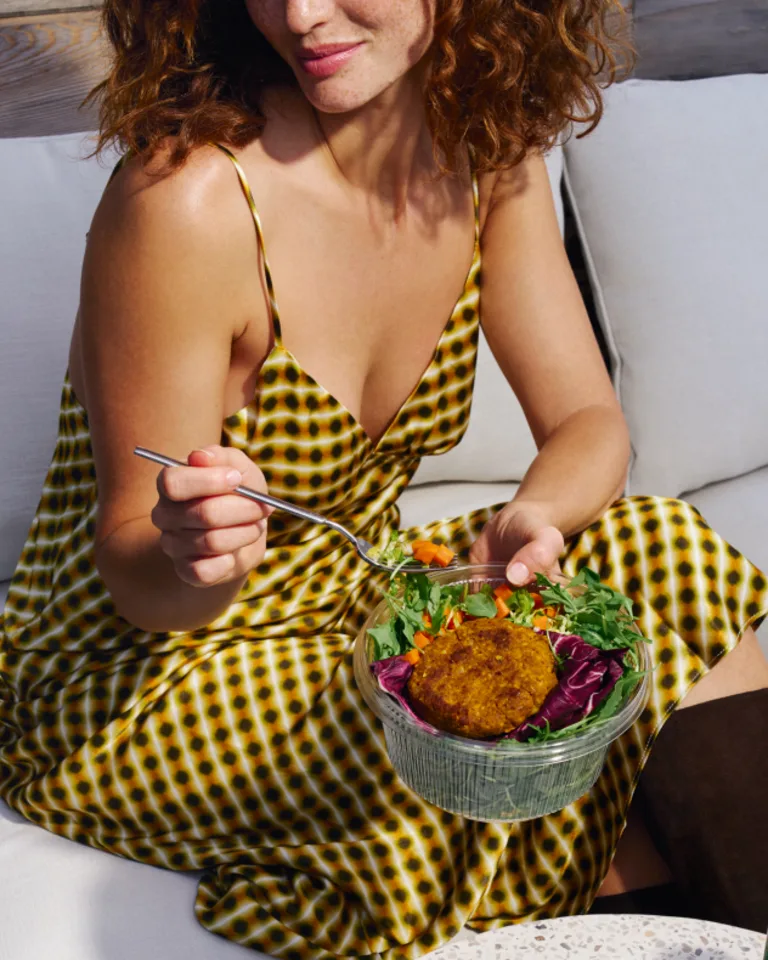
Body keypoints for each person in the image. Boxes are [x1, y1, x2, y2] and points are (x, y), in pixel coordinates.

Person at [1, 0, 766, 955]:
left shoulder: (487, 152)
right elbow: (134, 574)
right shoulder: (185, 200)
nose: (302, 15)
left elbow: (586, 420)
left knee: (663, 547)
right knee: (431, 745)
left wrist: (538, 516)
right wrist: (198, 552)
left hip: (356, 598)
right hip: (150, 669)